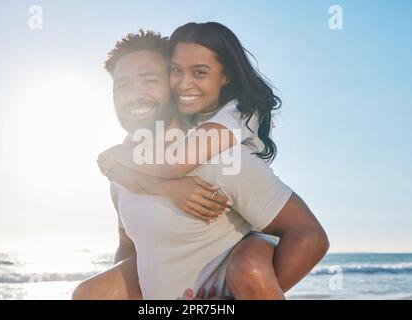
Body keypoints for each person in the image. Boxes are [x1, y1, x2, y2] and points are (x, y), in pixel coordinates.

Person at [73, 26, 329, 300]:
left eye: (148, 81)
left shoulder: (224, 159)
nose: (133, 93)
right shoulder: (125, 173)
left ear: (173, 88)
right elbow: (129, 245)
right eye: (122, 85)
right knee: (89, 295)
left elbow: (309, 237)